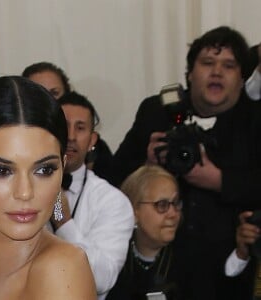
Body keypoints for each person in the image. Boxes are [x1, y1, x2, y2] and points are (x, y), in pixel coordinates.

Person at [107, 26, 261, 299]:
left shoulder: (254, 121)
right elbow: (113, 179)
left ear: (241, 79)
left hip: (226, 271)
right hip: (157, 268)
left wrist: (219, 180)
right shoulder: (156, 111)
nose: (216, 72)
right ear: (190, 74)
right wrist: (146, 164)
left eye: (229, 65)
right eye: (207, 63)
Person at [0, 76, 96, 299]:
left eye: (44, 170)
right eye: (2, 171)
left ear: (62, 167)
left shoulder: (62, 269)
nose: (25, 192)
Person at [48, 91, 134, 300]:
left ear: (92, 140)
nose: (70, 136)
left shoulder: (112, 201)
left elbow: (103, 280)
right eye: (64, 125)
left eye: (80, 128)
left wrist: (63, 221)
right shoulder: (20, 189)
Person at [22, 61, 113, 181]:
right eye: (37, 94)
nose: (47, 101)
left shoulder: (94, 148)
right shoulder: (11, 140)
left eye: (54, 93)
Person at [106, 165, 182, 300]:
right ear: (134, 211)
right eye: (162, 205)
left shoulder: (192, 259)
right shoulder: (113, 258)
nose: (173, 213)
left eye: (175, 203)